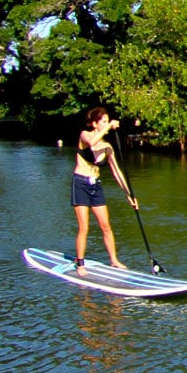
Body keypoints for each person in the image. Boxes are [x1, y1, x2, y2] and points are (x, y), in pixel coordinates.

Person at [72, 107, 138, 276]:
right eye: (103, 122)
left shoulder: (108, 147)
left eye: (107, 121)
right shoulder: (84, 135)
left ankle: (114, 260)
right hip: (80, 184)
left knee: (106, 226)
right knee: (84, 227)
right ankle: (80, 263)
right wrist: (109, 127)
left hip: (96, 186)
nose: (106, 124)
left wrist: (129, 195)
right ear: (95, 124)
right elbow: (92, 143)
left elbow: (117, 172)